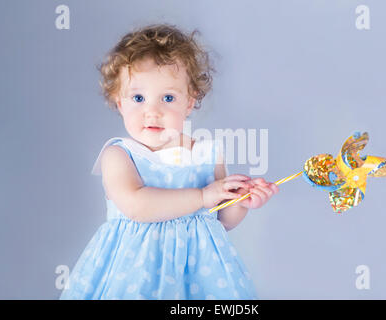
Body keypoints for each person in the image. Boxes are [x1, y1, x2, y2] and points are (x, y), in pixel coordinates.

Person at [60, 24, 279, 300]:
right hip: (136, 272)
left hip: (201, 274)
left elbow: (221, 219)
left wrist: (242, 202)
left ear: (189, 103)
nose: (152, 111)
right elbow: (136, 206)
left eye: (168, 98)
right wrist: (203, 195)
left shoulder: (206, 154)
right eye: (138, 98)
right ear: (119, 102)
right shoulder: (118, 154)